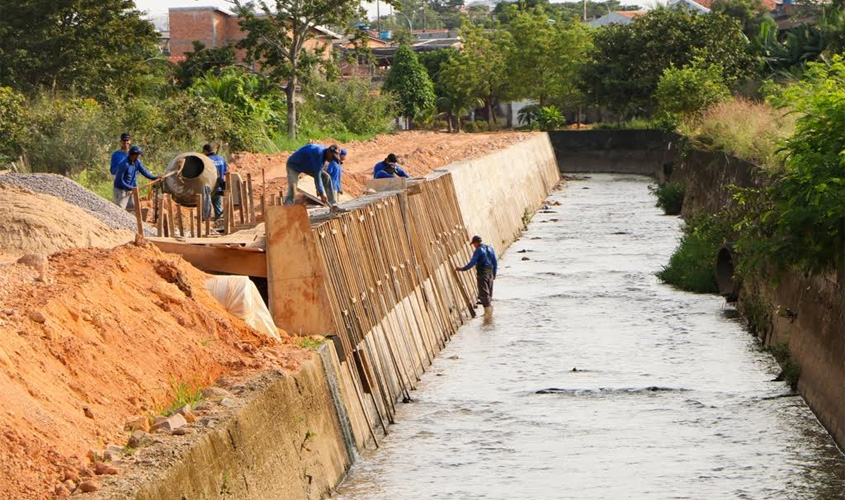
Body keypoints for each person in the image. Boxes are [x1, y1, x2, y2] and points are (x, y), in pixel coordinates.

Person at [285, 143, 347, 213]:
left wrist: (320, 190)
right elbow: (317, 176)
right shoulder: (318, 155)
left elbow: (318, 174)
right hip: (294, 165)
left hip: (307, 165)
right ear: (329, 152)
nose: (332, 159)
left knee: (326, 177)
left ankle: (333, 205)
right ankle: (288, 211)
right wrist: (321, 193)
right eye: (333, 157)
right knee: (292, 189)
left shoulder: (324, 156)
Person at [455, 235, 498, 310]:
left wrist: (462, 269)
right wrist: (494, 274)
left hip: (482, 274)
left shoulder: (479, 250)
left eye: (474, 244)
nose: (474, 246)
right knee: (489, 294)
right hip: (490, 274)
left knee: (484, 294)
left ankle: (488, 315)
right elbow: (495, 262)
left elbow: (472, 263)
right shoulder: (490, 248)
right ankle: (489, 314)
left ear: (476, 243)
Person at [113, 145, 157, 210]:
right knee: (120, 210)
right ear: (134, 155)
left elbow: (144, 172)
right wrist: (130, 188)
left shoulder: (137, 162)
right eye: (139, 155)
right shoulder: (123, 164)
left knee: (132, 209)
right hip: (121, 190)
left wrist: (154, 177)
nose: (140, 156)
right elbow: (120, 180)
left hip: (131, 189)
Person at [203, 143, 228, 219]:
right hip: (219, 185)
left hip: (208, 187)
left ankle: (206, 221)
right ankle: (219, 221)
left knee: (206, 206)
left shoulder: (206, 160)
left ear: (206, 151)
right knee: (217, 206)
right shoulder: (221, 158)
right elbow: (225, 172)